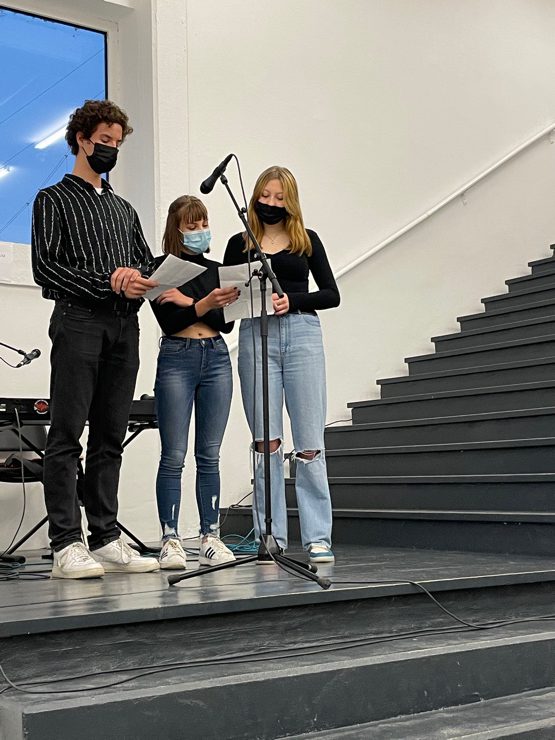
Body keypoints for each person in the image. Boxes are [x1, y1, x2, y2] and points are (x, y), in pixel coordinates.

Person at [31, 99, 160, 579]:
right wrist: (108, 282)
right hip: (79, 320)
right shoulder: (52, 199)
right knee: (67, 434)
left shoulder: (124, 209)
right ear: (82, 140)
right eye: (104, 140)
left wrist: (143, 277)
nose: (111, 149)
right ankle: (66, 543)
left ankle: (105, 537)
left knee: (110, 436)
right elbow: (45, 269)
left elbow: (144, 262)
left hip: (126, 327)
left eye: (117, 143)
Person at [223, 165, 340, 563]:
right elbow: (228, 308)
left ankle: (317, 537)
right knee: (266, 440)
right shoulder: (239, 244)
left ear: (291, 202)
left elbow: (331, 294)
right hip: (256, 335)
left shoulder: (307, 240)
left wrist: (295, 300)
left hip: (302, 332)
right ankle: (270, 535)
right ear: (255, 196)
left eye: (279, 197)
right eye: (265, 196)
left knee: (309, 440)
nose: (271, 203)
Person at [149, 195, 240, 570]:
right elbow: (169, 322)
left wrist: (190, 302)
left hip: (216, 356)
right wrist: (204, 304)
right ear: (176, 229)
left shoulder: (219, 270)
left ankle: (210, 536)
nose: (200, 231)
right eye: (192, 226)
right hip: (177, 357)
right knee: (173, 454)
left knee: (209, 454)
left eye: (204, 224)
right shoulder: (160, 269)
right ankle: (170, 538)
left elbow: (226, 322)